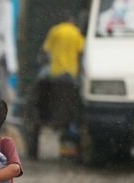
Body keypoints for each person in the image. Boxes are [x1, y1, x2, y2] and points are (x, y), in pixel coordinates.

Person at [28, 15, 85, 159]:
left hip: (53, 75)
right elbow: (81, 53)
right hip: (70, 78)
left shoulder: (55, 30)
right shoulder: (77, 33)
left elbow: (46, 51)